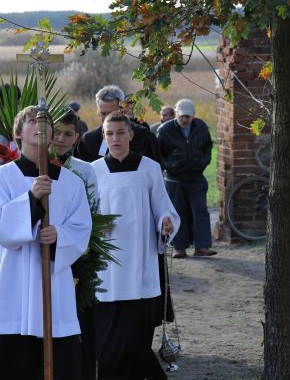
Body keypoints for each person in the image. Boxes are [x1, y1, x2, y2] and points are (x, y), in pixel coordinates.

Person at [0, 106, 92, 380]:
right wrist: (31, 199)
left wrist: (59, 237)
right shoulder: (1, 178)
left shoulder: (71, 183)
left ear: (53, 134)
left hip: (53, 285)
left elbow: (81, 229)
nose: (40, 125)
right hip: (13, 286)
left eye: (45, 122)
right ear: (17, 134)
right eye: (31, 121)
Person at [91, 111, 179, 380]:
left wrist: (165, 222)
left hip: (140, 266)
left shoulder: (149, 168)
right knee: (108, 349)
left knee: (135, 345)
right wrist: (94, 226)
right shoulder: (93, 171)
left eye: (120, 133)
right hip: (107, 272)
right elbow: (84, 213)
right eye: (109, 133)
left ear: (131, 134)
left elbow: (165, 209)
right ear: (104, 137)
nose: (115, 139)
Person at [51, 110, 98, 380]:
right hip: (43, 250)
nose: (61, 139)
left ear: (76, 137)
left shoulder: (84, 170)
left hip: (78, 253)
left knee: (79, 322)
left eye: (68, 134)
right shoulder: (37, 165)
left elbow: (94, 212)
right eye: (56, 132)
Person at [158, 99, 215, 258]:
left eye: (188, 116)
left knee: (201, 212)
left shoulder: (201, 127)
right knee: (177, 213)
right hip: (175, 180)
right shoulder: (165, 130)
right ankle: (179, 248)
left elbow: (208, 147)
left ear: (193, 115)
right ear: (176, 113)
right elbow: (159, 154)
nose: (184, 119)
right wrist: (171, 166)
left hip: (196, 177)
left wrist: (202, 163)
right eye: (182, 116)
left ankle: (202, 247)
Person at [74, 85, 160, 163]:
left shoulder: (143, 136)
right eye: (103, 114)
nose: (107, 118)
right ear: (98, 111)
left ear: (123, 110)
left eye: (111, 113)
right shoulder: (89, 140)